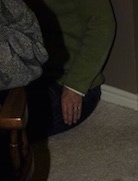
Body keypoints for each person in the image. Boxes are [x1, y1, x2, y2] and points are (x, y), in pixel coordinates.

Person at [24, 0, 116, 139]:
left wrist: (75, 86)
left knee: (15, 122)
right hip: (29, 72)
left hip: (67, 82)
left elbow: (103, 24)